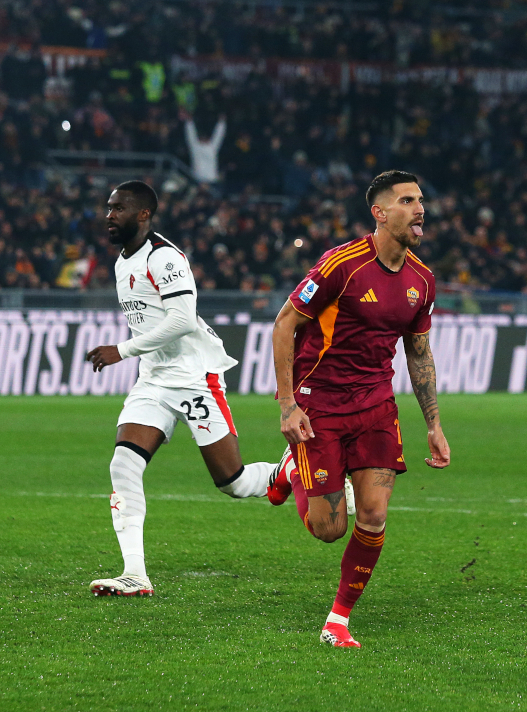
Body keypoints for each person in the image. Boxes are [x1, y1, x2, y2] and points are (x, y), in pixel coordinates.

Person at [266, 170, 450, 648]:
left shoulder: (422, 280)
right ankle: (290, 467)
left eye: (420, 200)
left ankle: (338, 621)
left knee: (373, 515)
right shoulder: (341, 265)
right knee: (329, 528)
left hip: (375, 405)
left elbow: (418, 351)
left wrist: (434, 423)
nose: (419, 209)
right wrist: (288, 404)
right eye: (407, 200)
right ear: (380, 212)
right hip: (319, 403)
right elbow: (284, 324)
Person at [86, 181, 274, 598]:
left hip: (194, 376)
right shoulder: (122, 262)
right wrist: (136, 355)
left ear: (143, 214)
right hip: (154, 379)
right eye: (107, 208)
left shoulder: (164, 256)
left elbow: (183, 320)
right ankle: (134, 572)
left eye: (117, 208)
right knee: (123, 465)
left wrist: (121, 350)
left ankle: (295, 471)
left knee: (234, 482)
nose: (108, 215)